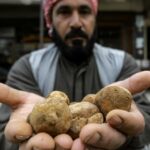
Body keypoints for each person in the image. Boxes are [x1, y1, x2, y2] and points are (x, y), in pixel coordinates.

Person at [0, 0, 150, 149]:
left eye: (84, 11)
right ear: (50, 21)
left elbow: (146, 119)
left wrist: (128, 135)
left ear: (94, 18)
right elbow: (4, 131)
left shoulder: (122, 62)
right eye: (64, 12)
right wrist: (20, 141)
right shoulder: (28, 67)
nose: (76, 23)